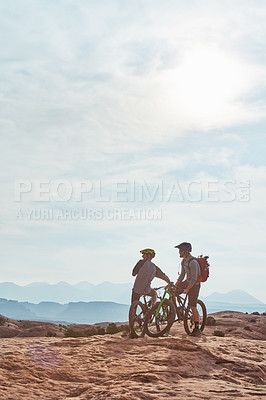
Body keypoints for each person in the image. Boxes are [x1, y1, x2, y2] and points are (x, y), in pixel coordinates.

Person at [174, 242, 202, 336]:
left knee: (192, 305)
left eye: (180, 250)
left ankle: (197, 328)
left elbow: (194, 278)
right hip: (187, 282)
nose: (179, 252)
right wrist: (175, 285)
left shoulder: (193, 262)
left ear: (185, 251)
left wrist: (188, 289)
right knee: (172, 292)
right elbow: (182, 275)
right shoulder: (184, 261)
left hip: (194, 285)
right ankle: (177, 310)